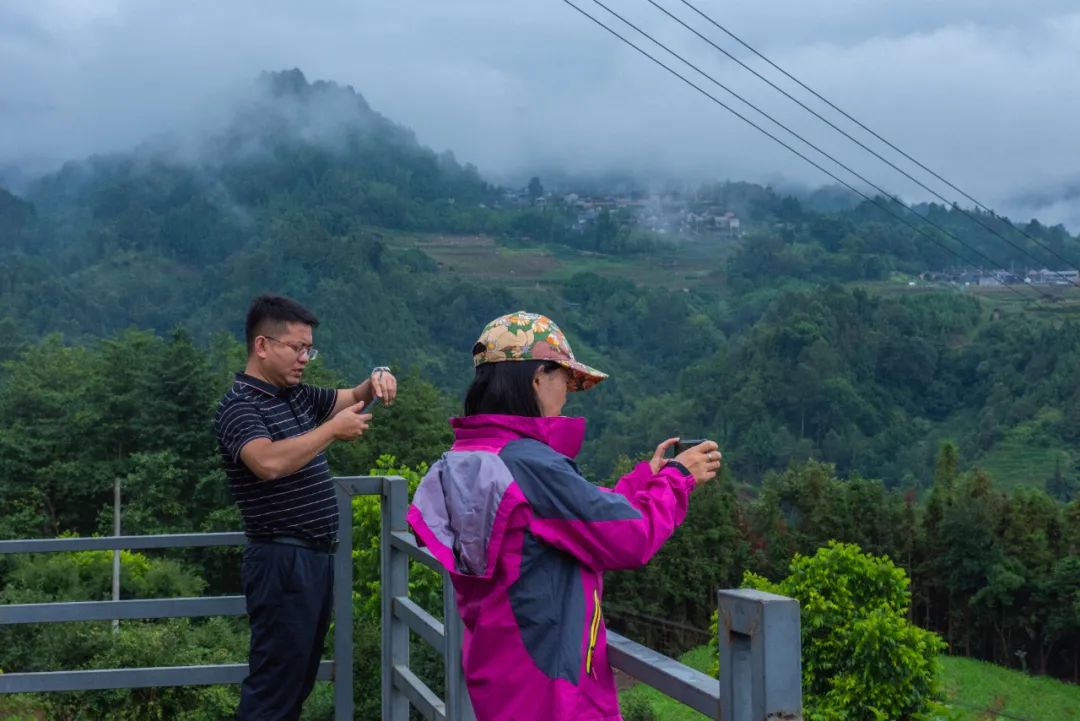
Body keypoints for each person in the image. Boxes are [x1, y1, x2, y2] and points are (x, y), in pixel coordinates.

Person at [407, 311, 720, 721]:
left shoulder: (471, 457)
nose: (568, 394)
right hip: (553, 690)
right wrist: (678, 481)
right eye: (565, 380)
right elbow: (629, 536)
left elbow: (569, 517)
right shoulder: (530, 464)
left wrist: (645, 480)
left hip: (501, 672)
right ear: (538, 378)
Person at [214, 293, 398, 720]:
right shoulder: (240, 405)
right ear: (262, 346)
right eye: (296, 348)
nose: (305, 358)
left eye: (308, 349)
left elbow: (355, 396)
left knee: (297, 682)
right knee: (273, 687)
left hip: (312, 558)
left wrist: (379, 377)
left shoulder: (293, 395)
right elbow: (267, 462)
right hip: (281, 559)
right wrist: (331, 431)